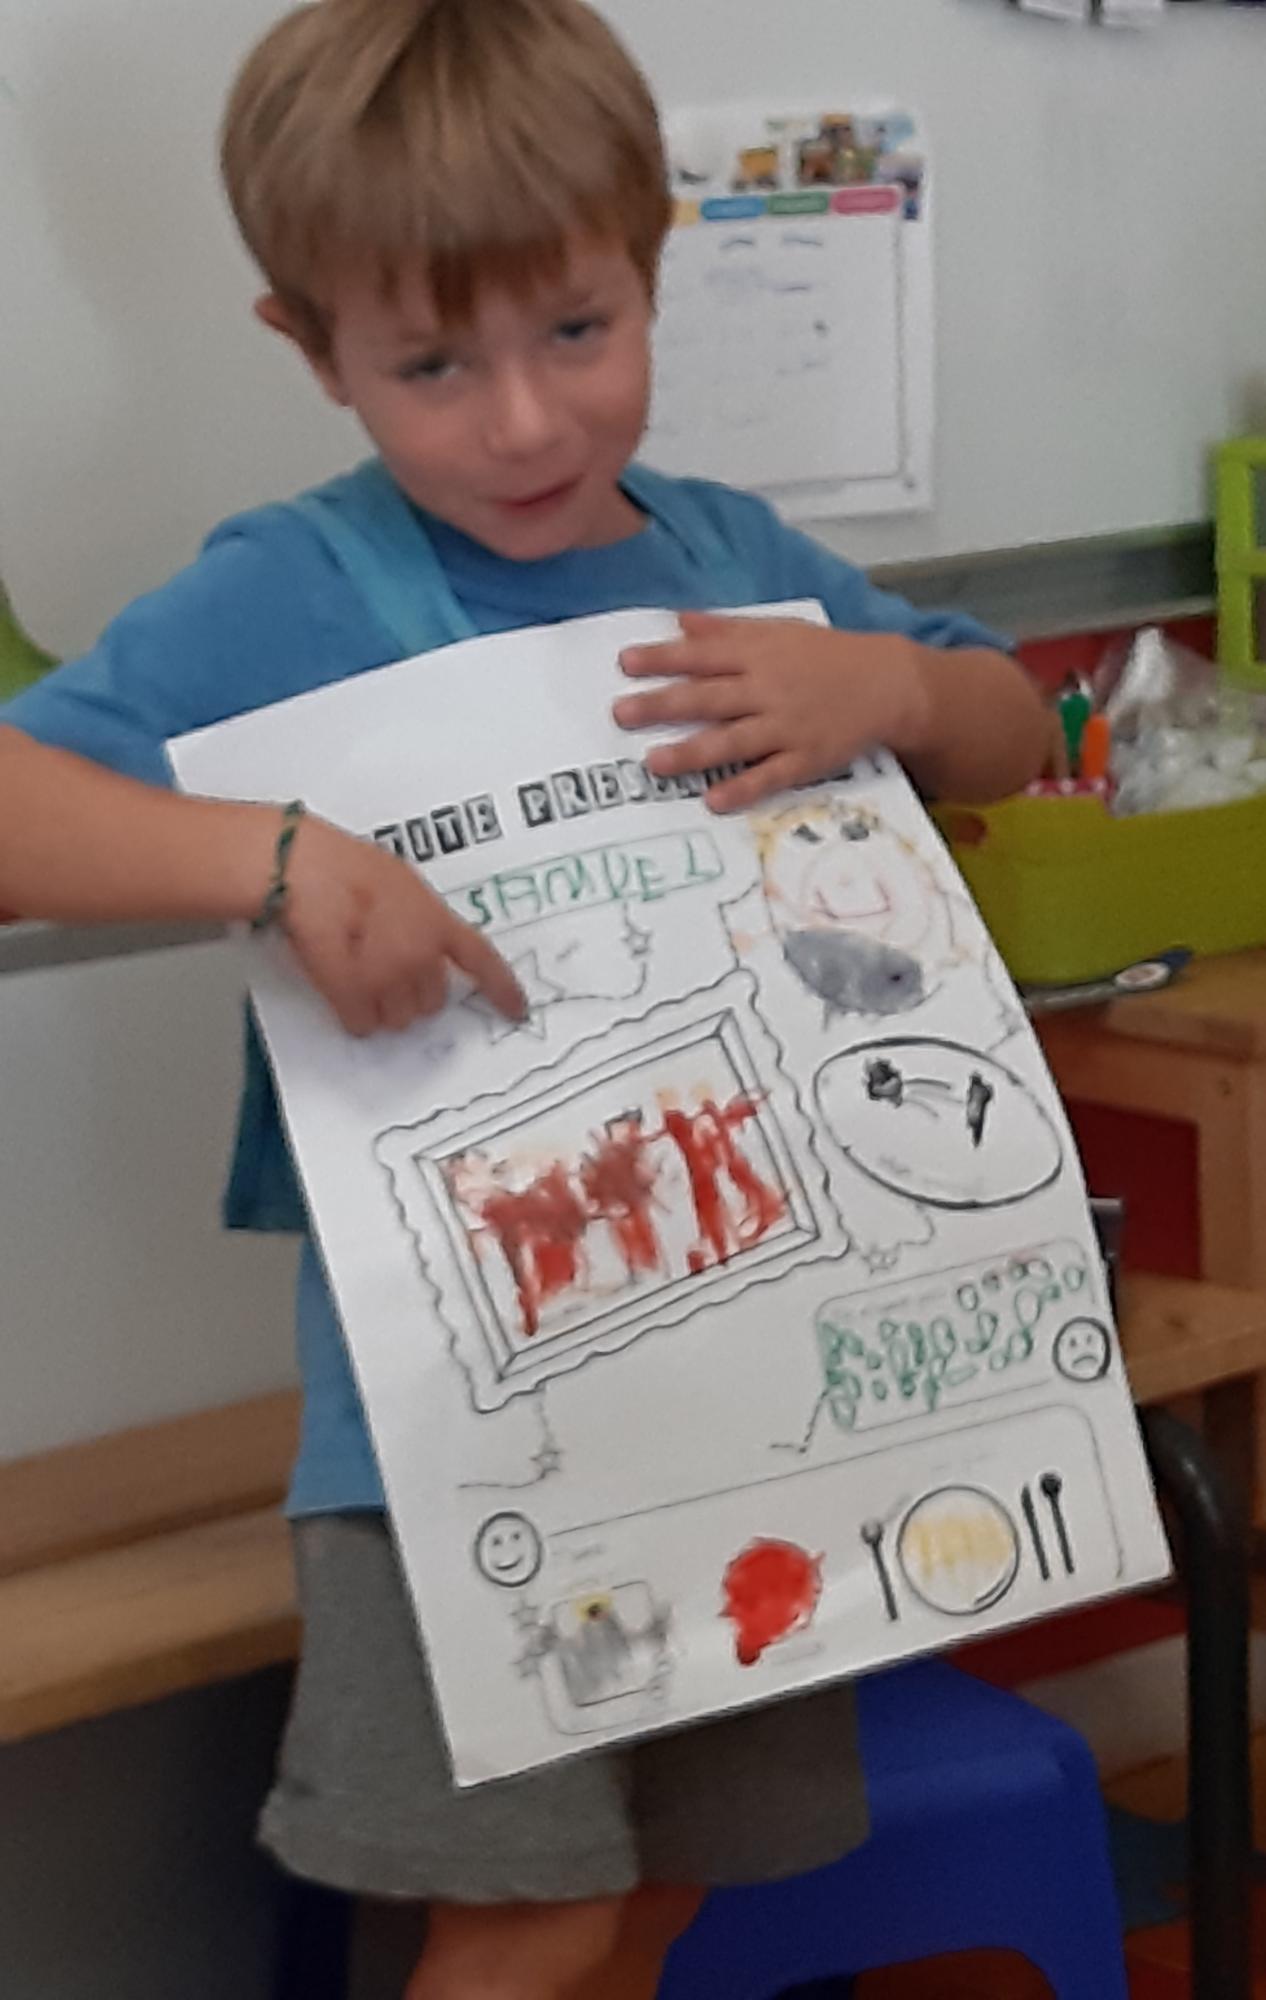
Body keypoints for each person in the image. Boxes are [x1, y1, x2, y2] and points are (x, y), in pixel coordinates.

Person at [0, 2, 1050, 1993]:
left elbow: (1012, 727)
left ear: (649, 264)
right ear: (311, 349)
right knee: (532, 1904)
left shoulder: (730, 556)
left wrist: (901, 686)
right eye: (431, 365)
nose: (523, 425)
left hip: (746, 1375)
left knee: (662, 1877)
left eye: (577, 331)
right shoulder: (295, 586)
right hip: (452, 1431)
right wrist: (273, 857)